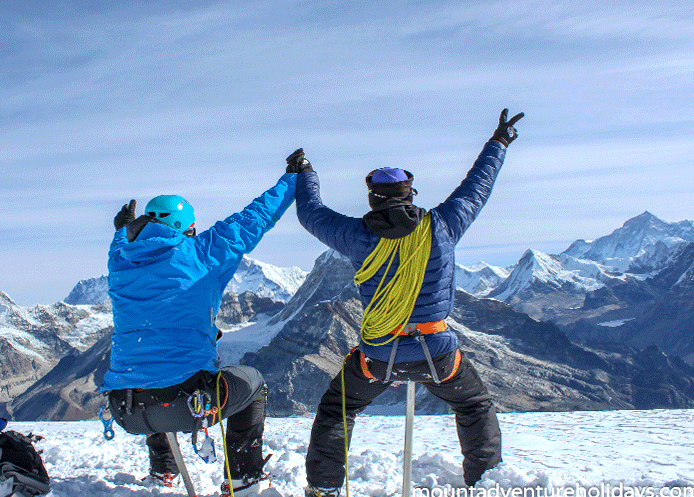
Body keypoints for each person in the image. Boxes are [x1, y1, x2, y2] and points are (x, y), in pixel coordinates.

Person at [291, 109, 524, 496]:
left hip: (378, 357)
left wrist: (305, 172)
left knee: (338, 409)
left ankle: (324, 488)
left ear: (372, 197)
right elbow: (478, 186)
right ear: (409, 194)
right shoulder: (444, 226)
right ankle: (485, 482)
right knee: (473, 405)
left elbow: (310, 213)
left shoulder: (356, 236)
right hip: (439, 353)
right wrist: (498, 141)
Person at [100, 156, 302, 497]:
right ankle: (244, 479)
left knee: (152, 367)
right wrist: (294, 179)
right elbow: (255, 218)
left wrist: (124, 228)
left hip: (127, 410)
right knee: (252, 383)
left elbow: (124, 241)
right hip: (190, 405)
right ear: (187, 228)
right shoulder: (203, 252)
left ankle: (163, 472)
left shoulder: (119, 260)